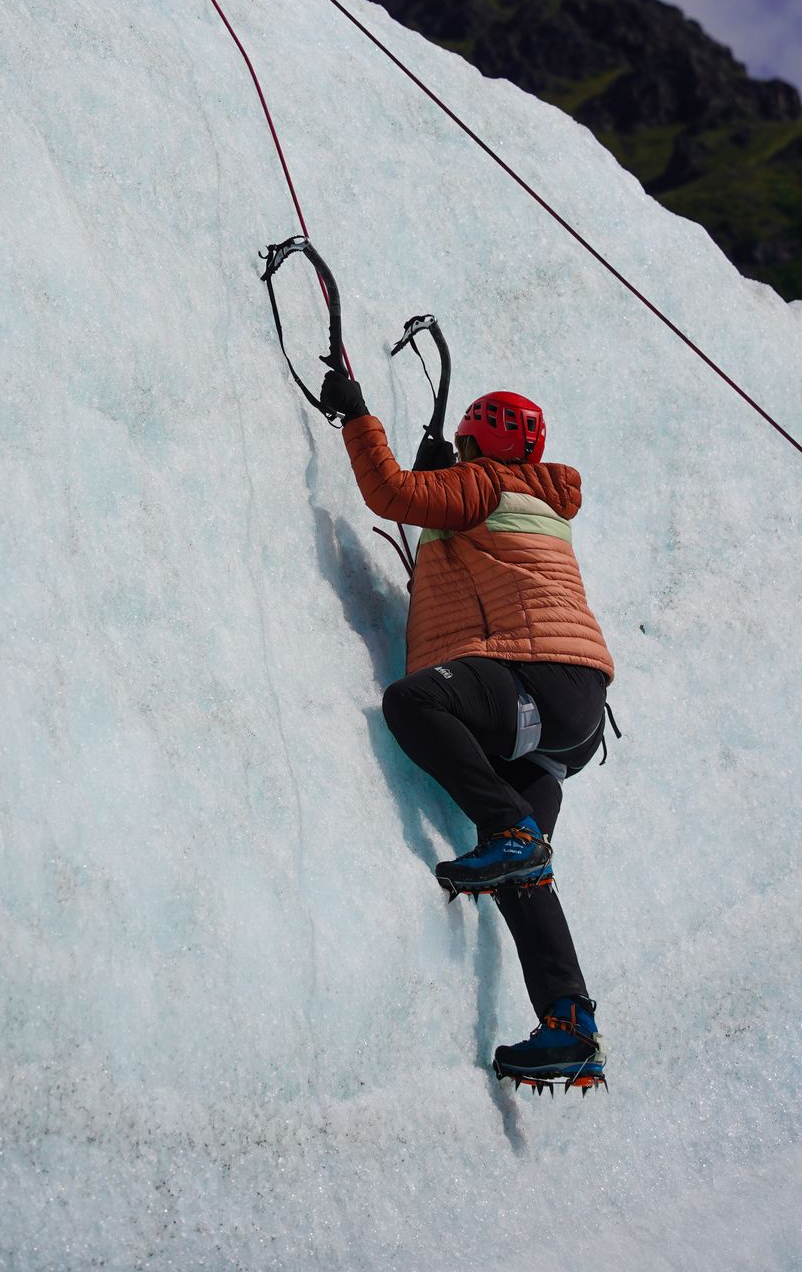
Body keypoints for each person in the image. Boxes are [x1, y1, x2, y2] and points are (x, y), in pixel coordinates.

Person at [319, 368, 615, 1094]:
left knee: (415, 705)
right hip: (572, 723)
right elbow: (449, 537)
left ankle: (510, 829)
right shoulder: (538, 500)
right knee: (520, 867)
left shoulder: (485, 485)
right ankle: (570, 1024)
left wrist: (357, 412)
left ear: (480, 440)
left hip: (535, 680)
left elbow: (391, 495)